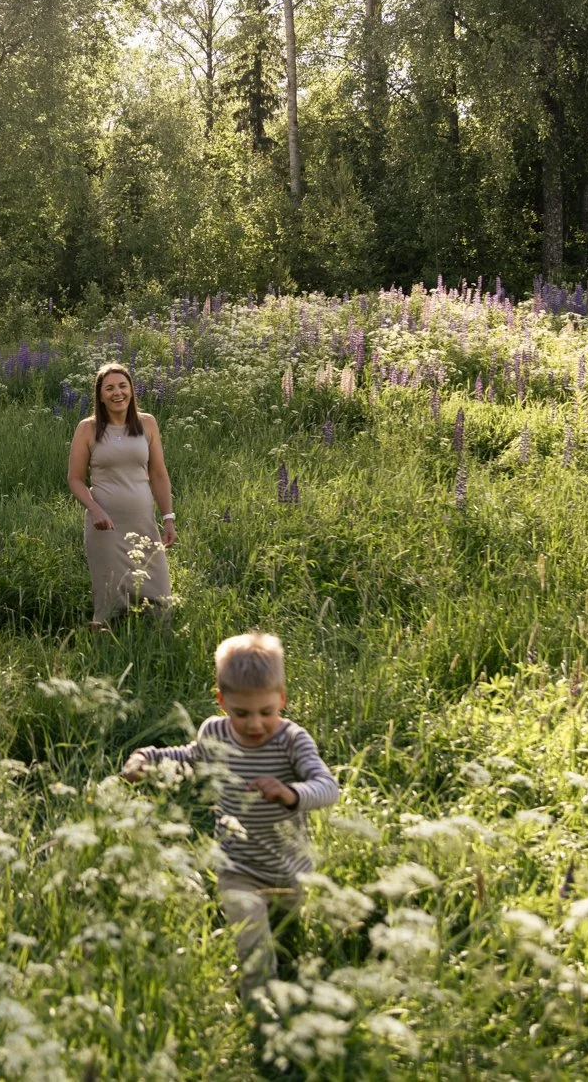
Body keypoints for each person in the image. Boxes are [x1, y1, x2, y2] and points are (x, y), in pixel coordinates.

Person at [120, 633, 340, 1000]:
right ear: (222, 702)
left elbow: (327, 786)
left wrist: (290, 794)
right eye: (242, 713)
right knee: (252, 939)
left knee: (288, 936)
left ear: (282, 699)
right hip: (236, 865)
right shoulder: (215, 732)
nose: (255, 724)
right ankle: (260, 1003)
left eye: (266, 712)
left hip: (289, 866)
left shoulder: (291, 740)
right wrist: (148, 758)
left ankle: (291, 970)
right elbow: (190, 756)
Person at [67, 362, 176, 628]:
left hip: (143, 523)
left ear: (131, 391)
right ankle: (106, 648)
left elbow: (159, 475)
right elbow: (75, 479)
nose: (118, 393)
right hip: (106, 527)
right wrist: (95, 509)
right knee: (110, 599)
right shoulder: (88, 428)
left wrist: (168, 518)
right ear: (101, 396)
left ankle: (157, 645)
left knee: (161, 599)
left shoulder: (147, 423)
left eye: (123, 386)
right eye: (110, 388)